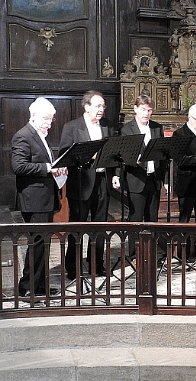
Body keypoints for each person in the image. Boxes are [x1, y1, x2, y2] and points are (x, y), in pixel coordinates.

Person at [59, 90, 117, 279]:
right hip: (81, 183)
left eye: (103, 106)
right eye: (98, 106)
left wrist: (115, 174)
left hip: (102, 181)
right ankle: (73, 267)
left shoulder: (108, 126)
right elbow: (64, 155)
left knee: (100, 226)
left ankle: (96, 265)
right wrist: (88, 155)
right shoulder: (72, 127)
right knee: (78, 227)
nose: (101, 110)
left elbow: (116, 153)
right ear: (87, 106)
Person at [12, 97, 67, 296]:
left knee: (44, 244)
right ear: (33, 116)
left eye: (51, 120)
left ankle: (40, 285)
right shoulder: (23, 136)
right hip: (33, 199)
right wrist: (48, 168)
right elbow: (18, 166)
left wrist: (56, 170)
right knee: (36, 243)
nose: (49, 124)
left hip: (45, 198)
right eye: (46, 119)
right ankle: (27, 287)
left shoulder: (41, 135)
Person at [118, 95, 167, 258]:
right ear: (135, 109)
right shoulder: (126, 130)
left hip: (154, 179)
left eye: (149, 110)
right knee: (136, 218)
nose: (146, 113)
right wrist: (133, 159)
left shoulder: (157, 128)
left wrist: (165, 180)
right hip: (136, 180)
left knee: (152, 218)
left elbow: (163, 156)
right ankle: (134, 253)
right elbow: (122, 155)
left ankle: (150, 251)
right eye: (143, 109)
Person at [172, 102, 196, 258]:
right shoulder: (179, 135)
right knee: (185, 219)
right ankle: (184, 254)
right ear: (189, 117)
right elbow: (179, 160)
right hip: (187, 183)